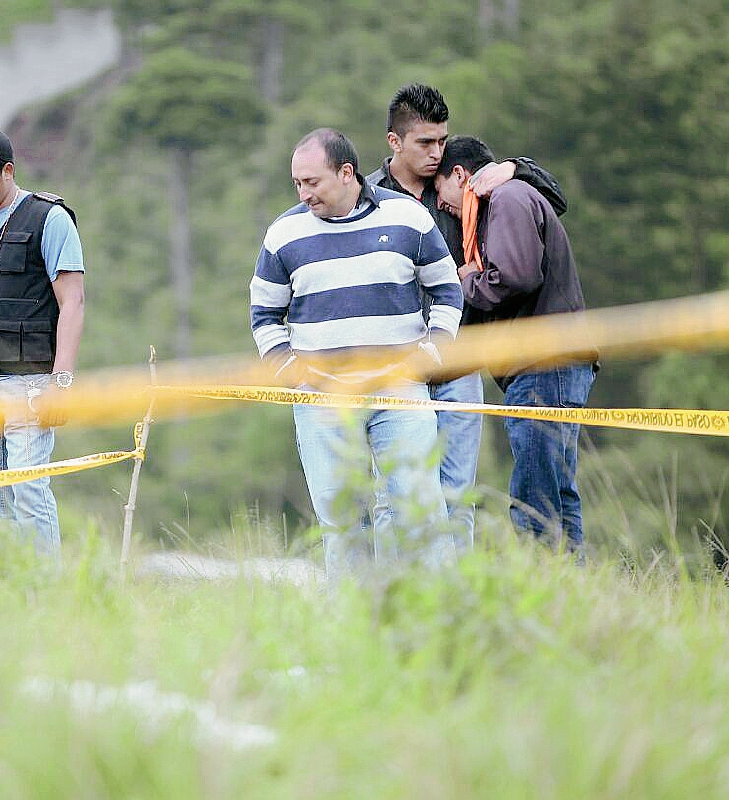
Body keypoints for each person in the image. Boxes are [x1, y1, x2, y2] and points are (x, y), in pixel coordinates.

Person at [250, 128, 461, 578]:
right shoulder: (283, 234)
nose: (304, 194)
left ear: (347, 174)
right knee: (343, 521)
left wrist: (433, 351)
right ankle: (353, 622)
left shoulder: (409, 218)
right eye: (297, 184)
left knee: (419, 508)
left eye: (313, 182)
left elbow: (446, 289)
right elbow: (264, 315)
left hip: (400, 391)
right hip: (322, 399)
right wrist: (291, 372)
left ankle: (435, 615)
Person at [366, 83, 569, 546]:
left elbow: (551, 204)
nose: (437, 152)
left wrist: (515, 169)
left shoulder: (466, 184)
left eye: (442, 141)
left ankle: (452, 603)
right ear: (394, 142)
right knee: (391, 498)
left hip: (461, 363)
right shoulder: (368, 197)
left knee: (456, 497)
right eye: (424, 143)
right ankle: (387, 603)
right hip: (395, 371)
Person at [434, 135, 596, 553]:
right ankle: (569, 593)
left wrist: (466, 278)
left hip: (543, 364)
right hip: (555, 364)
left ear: (459, 174)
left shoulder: (506, 198)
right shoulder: (510, 197)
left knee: (535, 497)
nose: (441, 205)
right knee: (558, 493)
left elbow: (516, 276)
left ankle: (542, 588)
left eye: (440, 191)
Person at [0, 126, 85, 561]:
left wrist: (62, 381)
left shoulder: (49, 218)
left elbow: (73, 302)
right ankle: (1, 592)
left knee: (27, 491)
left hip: (28, 382)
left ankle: (46, 593)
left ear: (7, 171)